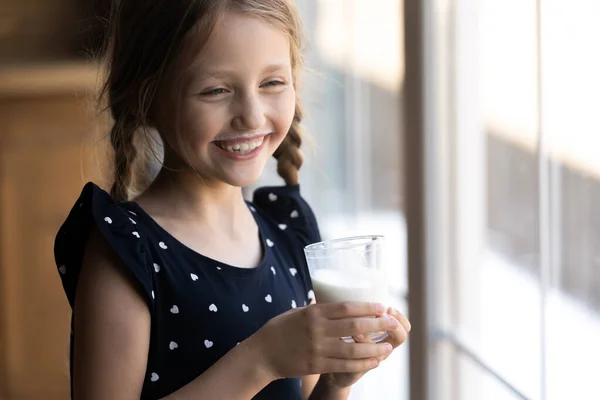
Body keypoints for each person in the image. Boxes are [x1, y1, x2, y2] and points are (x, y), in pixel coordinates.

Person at [53, 0, 411, 399]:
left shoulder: (287, 233)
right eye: (216, 90)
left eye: (272, 83)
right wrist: (262, 359)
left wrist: (336, 379)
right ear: (145, 98)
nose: (252, 116)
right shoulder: (127, 253)